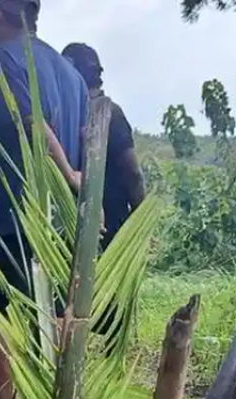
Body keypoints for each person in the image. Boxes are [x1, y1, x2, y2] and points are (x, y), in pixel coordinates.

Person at [0, 0, 88, 399]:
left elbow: (31, 124)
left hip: (22, 207)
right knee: (55, 306)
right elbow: (86, 136)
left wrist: (67, 174)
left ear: (2, 13)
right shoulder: (71, 73)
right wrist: (81, 185)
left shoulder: (4, 58)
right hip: (63, 216)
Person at [62, 42, 146, 350]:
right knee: (107, 308)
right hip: (98, 223)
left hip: (96, 223)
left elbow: (132, 173)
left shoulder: (92, 114)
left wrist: (140, 223)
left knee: (83, 302)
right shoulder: (98, 113)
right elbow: (133, 174)